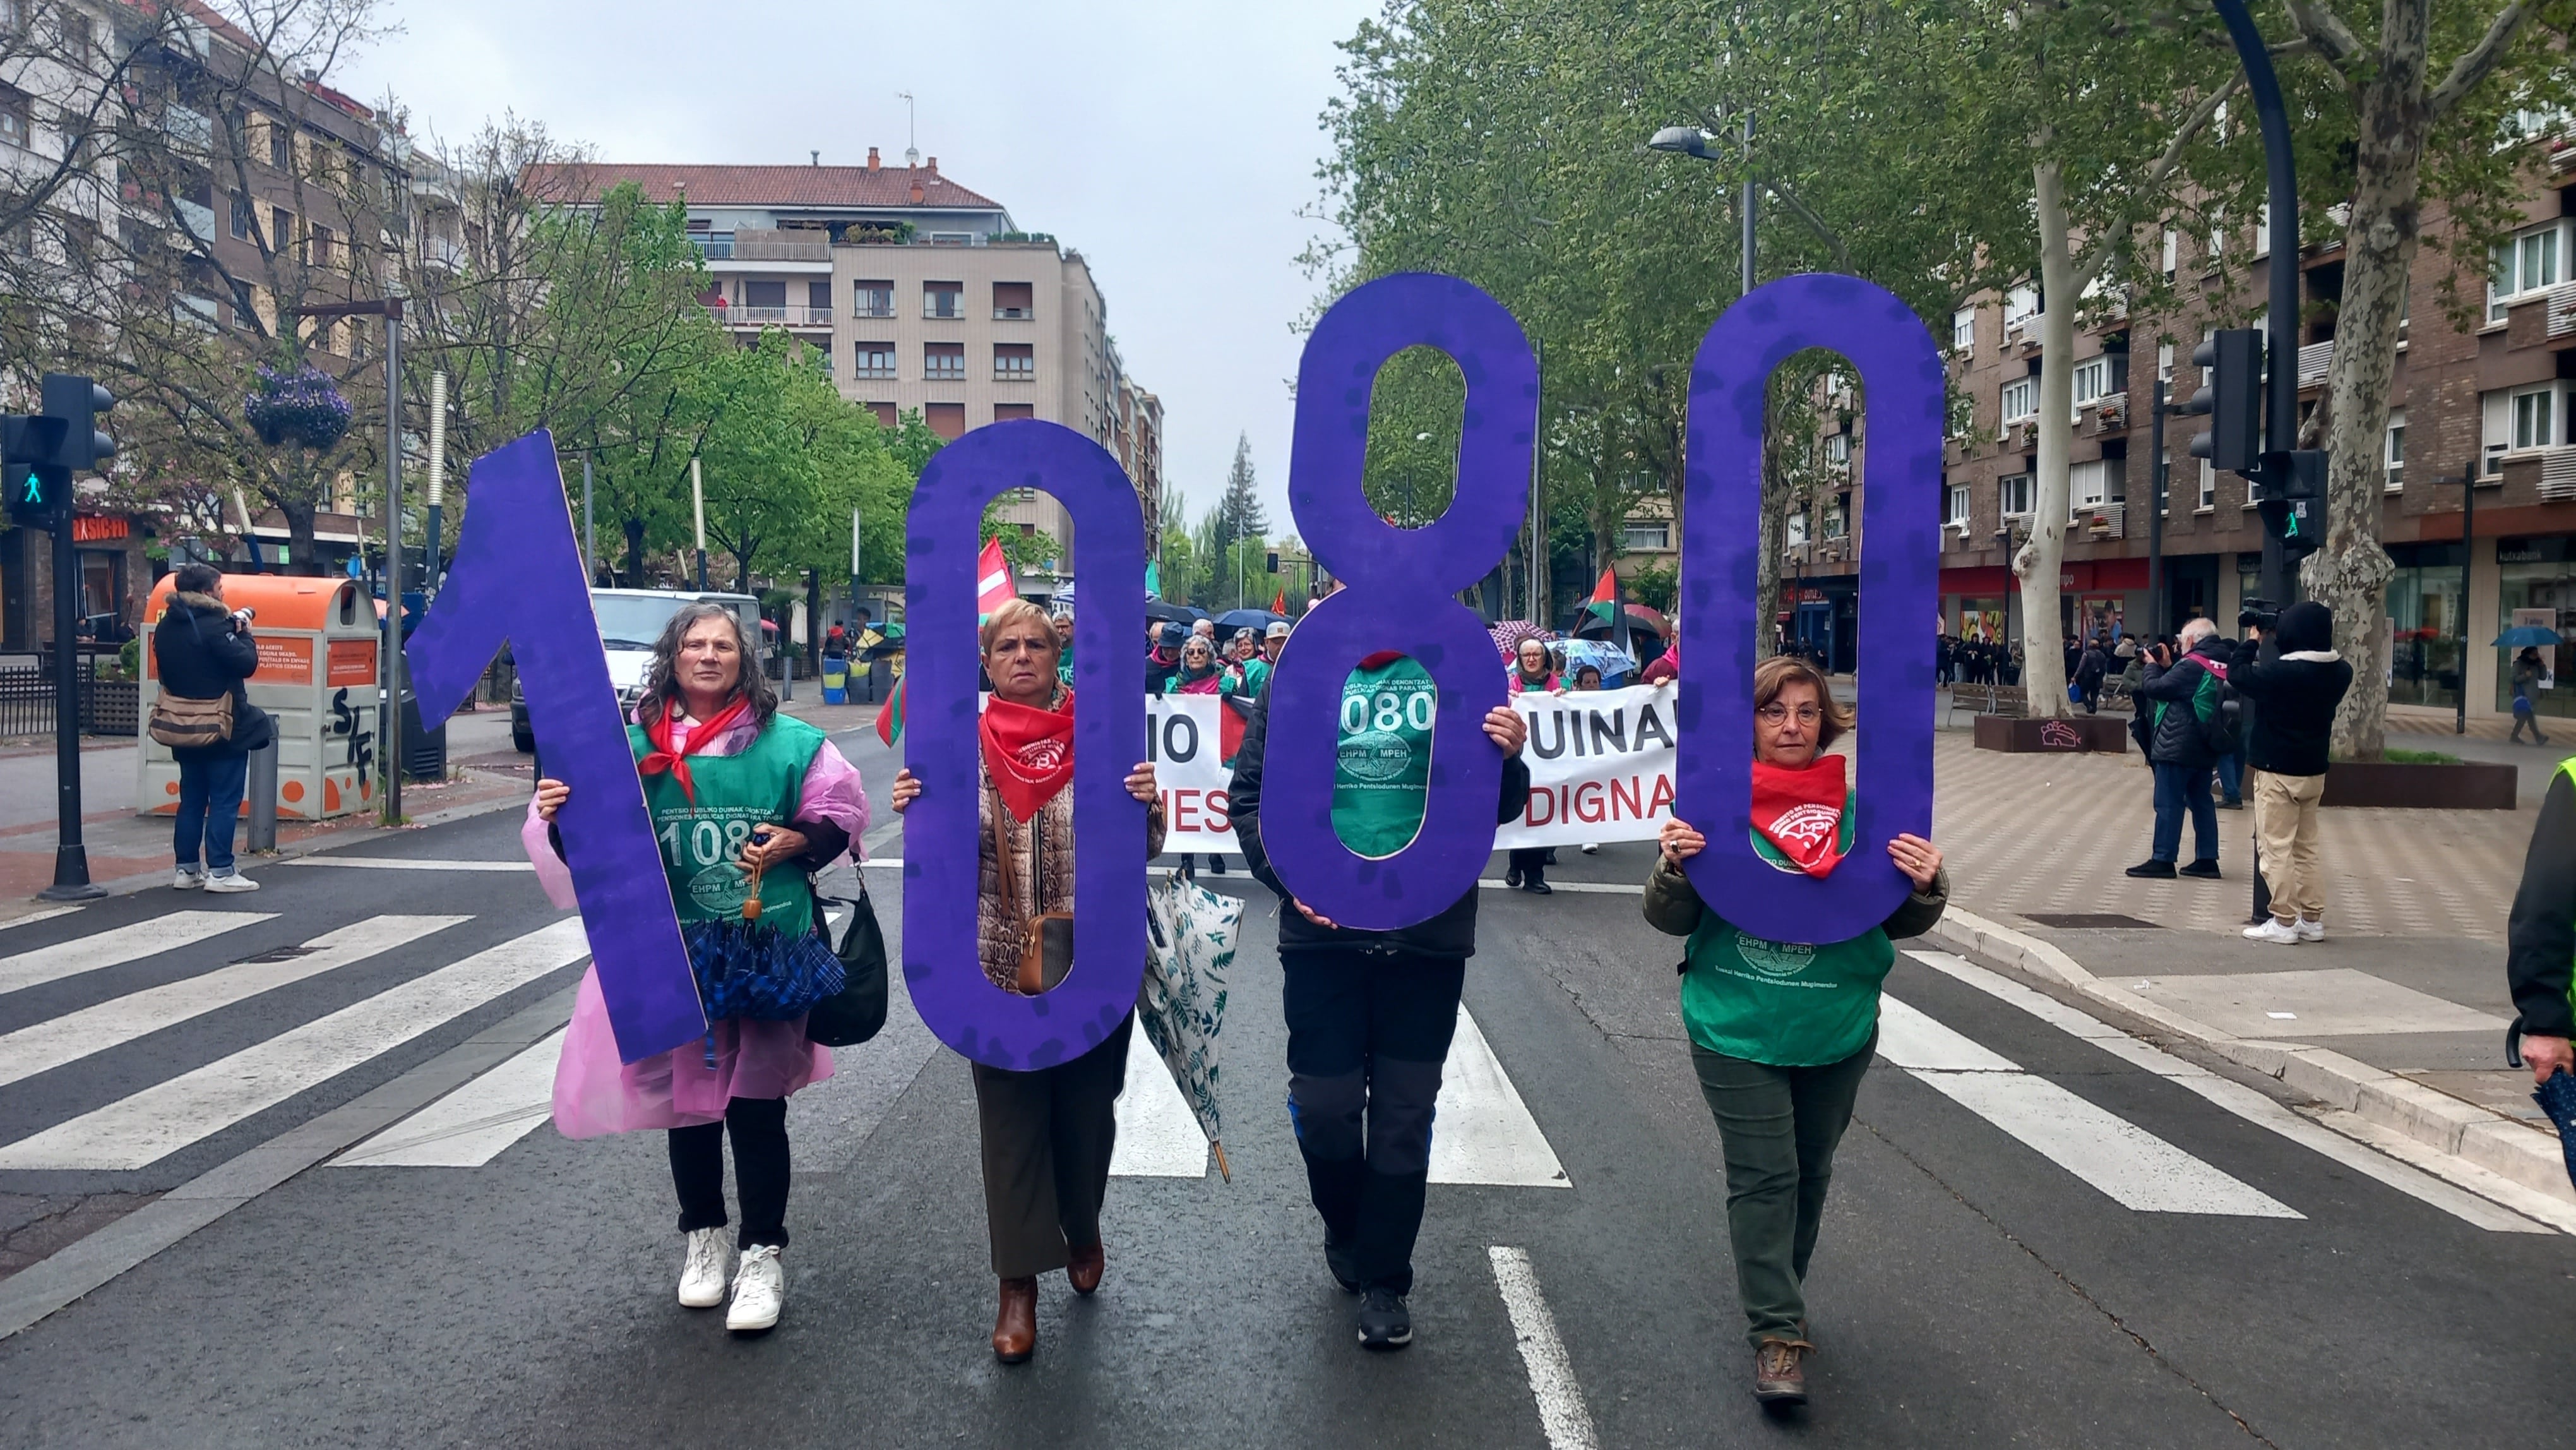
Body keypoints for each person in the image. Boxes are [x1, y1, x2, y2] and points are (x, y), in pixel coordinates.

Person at [530, 602, 867, 1334]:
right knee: (689, 1106)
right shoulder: (619, 750)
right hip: (669, 946)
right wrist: (559, 817)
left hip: (766, 944)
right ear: (673, 658)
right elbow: (586, 852)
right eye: (695, 644)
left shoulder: (793, 742)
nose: (708, 656)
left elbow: (838, 817)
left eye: (723, 645)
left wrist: (794, 841)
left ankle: (762, 1254)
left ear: (743, 659)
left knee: (756, 1104)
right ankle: (704, 1239)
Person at [1645, 654, 1947, 1406]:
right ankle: (1777, 1334)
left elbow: (1897, 917)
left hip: (1834, 1024)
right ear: (1748, 722)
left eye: (1807, 711)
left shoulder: (1863, 808)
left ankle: (1781, 1290)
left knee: (1810, 1174)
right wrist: (1674, 870)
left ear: (1827, 721)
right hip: (1735, 1023)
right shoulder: (1713, 805)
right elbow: (1670, 918)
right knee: (1766, 1176)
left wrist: (1927, 885)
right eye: (1774, 711)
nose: (1791, 726)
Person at [1227, 612, 1532, 1351]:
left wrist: (1511, 760)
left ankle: (1386, 1279)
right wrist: (1284, 879)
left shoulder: (1456, 675)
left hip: (1424, 939)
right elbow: (1250, 797)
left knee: (1403, 1116)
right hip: (1322, 937)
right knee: (1326, 1107)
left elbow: (1496, 804)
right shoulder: (1299, 675)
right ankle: (1346, 1223)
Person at [888, 598, 1164, 1363]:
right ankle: (1017, 1286)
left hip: (1093, 961)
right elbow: (935, 858)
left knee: (1086, 1117)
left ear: (1057, 655)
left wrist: (1146, 805)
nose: (1021, 656)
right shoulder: (955, 749)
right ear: (986, 661)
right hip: (992, 965)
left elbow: (1143, 845)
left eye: (1036, 643)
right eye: (1006, 645)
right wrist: (913, 809)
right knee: (1010, 1128)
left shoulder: (1103, 741)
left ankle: (1082, 1220)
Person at [2226, 601, 2354, 944]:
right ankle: (2312, 918)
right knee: (2306, 848)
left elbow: (2237, 674)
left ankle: (2283, 921)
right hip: (2313, 771)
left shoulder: (2281, 674)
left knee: (2274, 848)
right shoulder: (2341, 672)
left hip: (2277, 771)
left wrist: (2254, 639)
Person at [154, 563, 274, 894]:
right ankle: (221, 870)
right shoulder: (214, 627)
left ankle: (187, 869)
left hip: (183, 726)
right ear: (208, 592)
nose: (223, 593)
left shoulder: (166, 628)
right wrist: (245, 634)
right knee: (224, 799)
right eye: (220, 588)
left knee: (191, 799)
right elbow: (245, 663)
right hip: (221, 725)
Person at [2127, 619, 2232, 880]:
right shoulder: (2220, 661)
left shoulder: (2192, 664)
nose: (2179, 644)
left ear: (2192, 640)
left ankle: (2163, 859)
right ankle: (2207, 859)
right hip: (2204, 745)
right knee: (2202, 802)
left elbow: (2156, 689)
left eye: (2181, 639)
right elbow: (2186, 689)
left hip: (2176, 744)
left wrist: (2152, 666)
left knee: (2169, 804)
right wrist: (2167, 666)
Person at [1503, 638, 1563, 892]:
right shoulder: (1510, 685)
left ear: (1544, 658)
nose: (1531, 659)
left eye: (1536, 654)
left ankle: (1535, 876)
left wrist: (1563, 698)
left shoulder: (1556, 684)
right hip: (1521, 758)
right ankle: (1515, 866)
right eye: (1526, 655)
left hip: (1548, 762)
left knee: (1541, 816)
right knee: (1520, 813)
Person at [2513, 647, 2551, 745]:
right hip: (2523, 696)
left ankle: (2514, 736)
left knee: (2524, 718)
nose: (2536, 656)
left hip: (2533, 696)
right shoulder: (2519, 664)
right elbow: (2514, 679)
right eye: (2534, 654)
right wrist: (2525, 675)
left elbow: (2543, 677)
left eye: (2536, 654)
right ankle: (2538, 737)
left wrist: (2542, 666)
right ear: (2528, 654)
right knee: (2529, 716)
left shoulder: (2536, 665)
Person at [1144, 621, 1184, 695]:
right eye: (1166, 648)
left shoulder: (1187, 667)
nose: (1170, 653)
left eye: (1174, 648)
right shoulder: (1145, 666)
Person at [2073, 635, 2109, 715]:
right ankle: (2094, 708)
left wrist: (2075, 676)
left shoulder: (2086, 654)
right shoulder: (2102, 655)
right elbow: (2104, 668)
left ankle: (2089, 706)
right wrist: (2101, 676)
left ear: (2090, 645)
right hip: (2098, 678)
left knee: (2083, 693)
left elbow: (2081, 666)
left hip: (2087, 677)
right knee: (2095, 694)